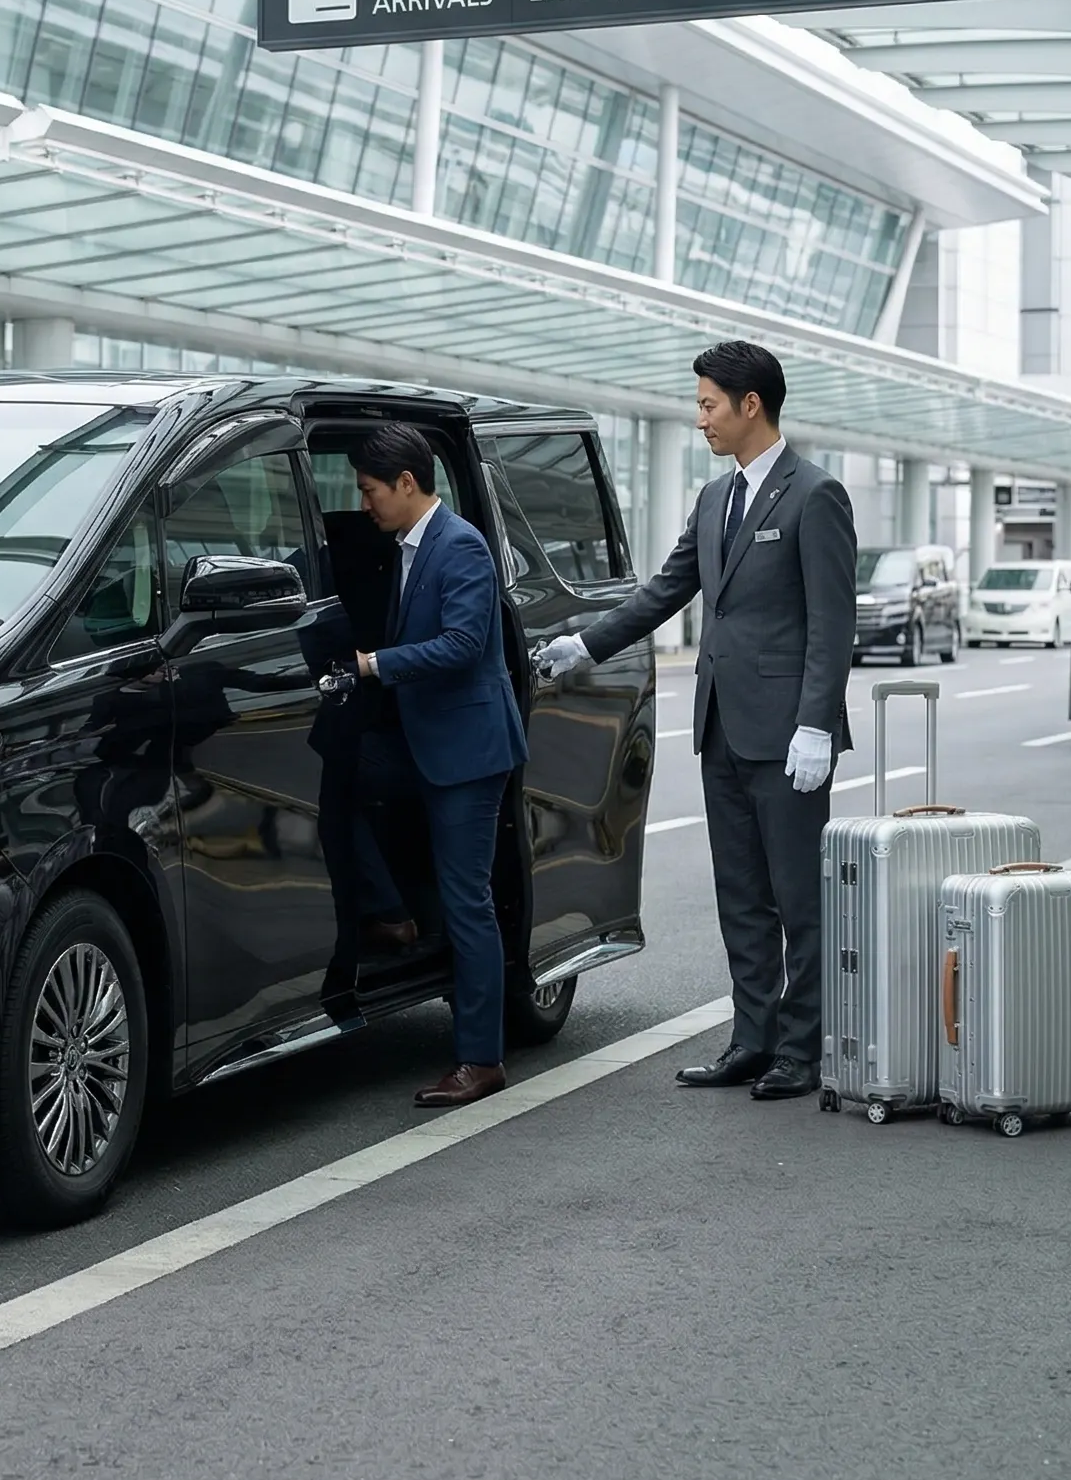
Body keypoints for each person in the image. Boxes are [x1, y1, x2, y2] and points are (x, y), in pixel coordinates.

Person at [536, 342, 856, 1101]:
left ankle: (800, 1052)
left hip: (789, 738)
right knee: (740, 896)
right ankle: (753, 1041)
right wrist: (586, 644)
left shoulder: (816, 495)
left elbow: (831, 622)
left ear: (751, 405)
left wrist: (815, 724)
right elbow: (666, 589)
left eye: (709, 404)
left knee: (798, 901)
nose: (700, 418)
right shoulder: (715, 499)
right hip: (721, 726)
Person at [347, 424, 529, 1108]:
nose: (364, 503)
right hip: (422, 740)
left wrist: (375, 664)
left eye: (370, 490)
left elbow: (462, 644)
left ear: (406, 483)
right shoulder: (407, 545)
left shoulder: (461, 545)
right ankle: (390, 913)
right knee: (335, 778)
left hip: (468, 752)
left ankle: (481, 1059)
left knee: (466, 901)